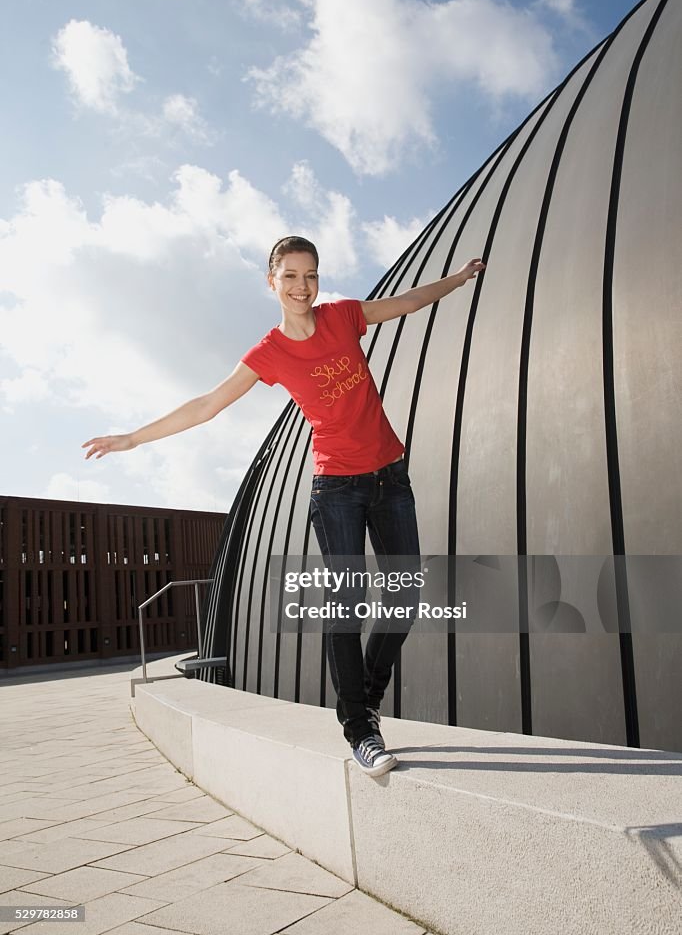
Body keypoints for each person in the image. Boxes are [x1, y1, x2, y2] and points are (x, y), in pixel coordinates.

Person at [83, 235, 484, 777]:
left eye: (311, 275)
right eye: (291, 276)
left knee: (405, 595)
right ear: (271, 281)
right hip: (337, 488)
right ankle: (359, 727)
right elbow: (207, 404)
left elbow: (407, 302)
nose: (302, 287)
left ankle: (364, 694)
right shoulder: (268, 353)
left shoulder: (343, 316)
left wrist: (457, 278)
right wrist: (133, 438)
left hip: (390, 477)